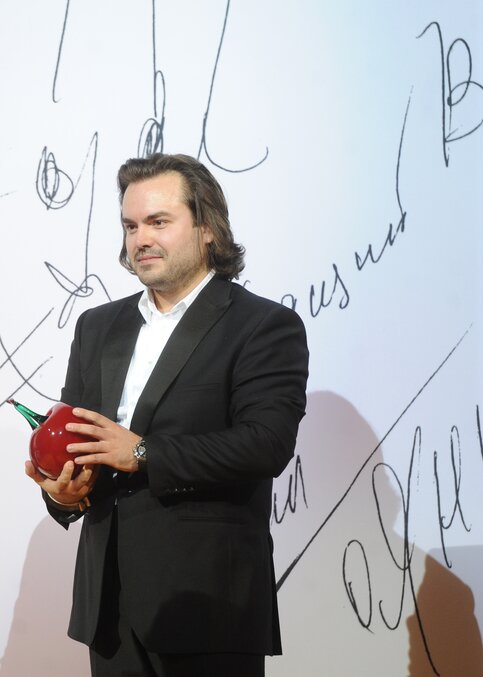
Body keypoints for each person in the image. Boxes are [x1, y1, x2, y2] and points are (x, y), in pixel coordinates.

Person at [26, 153, 309, 677]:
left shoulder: (263, 325)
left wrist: (142, 453)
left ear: (208, 228)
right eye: (131, 226)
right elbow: (77, 441)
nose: (141, 239)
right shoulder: (96, 327)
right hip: (109, 610)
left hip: (208, 605)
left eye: (158, 222)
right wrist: (63, 493)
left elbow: (266, 443)